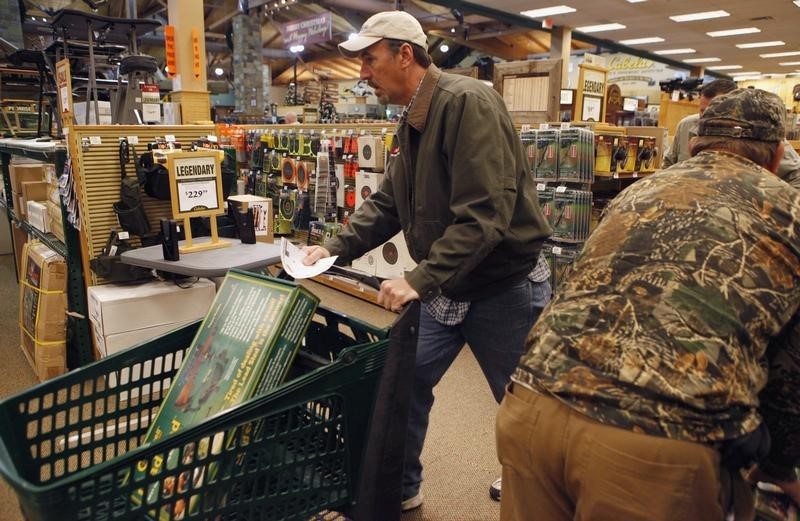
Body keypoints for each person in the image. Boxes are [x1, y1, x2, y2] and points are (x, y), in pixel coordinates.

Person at [497, 87, 800, 521]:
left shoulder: (635, 193)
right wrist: (779, 467)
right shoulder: (790, 211)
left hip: (532, 403)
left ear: (694, 145)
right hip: (653, 440)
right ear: (775, 158)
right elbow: (792, 369)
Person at [302, 10, 552, 511]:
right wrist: (333, 247)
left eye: (370, 61)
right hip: (447, 285)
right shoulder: (413, 117)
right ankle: (402, 485)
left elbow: (484, 215)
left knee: (525, 405)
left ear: (405, 54)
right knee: (405, 380)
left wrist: (419, 278)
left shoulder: (467, 103)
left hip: (503, 285)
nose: (364, 74)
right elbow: (391, 202)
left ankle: (541, 494)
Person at [663, 78, 800, 184]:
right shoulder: (687, 125)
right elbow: (669, 164)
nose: (709, 118)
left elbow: (796, 176)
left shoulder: (764, 134)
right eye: (703, 111)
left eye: (718, 111)